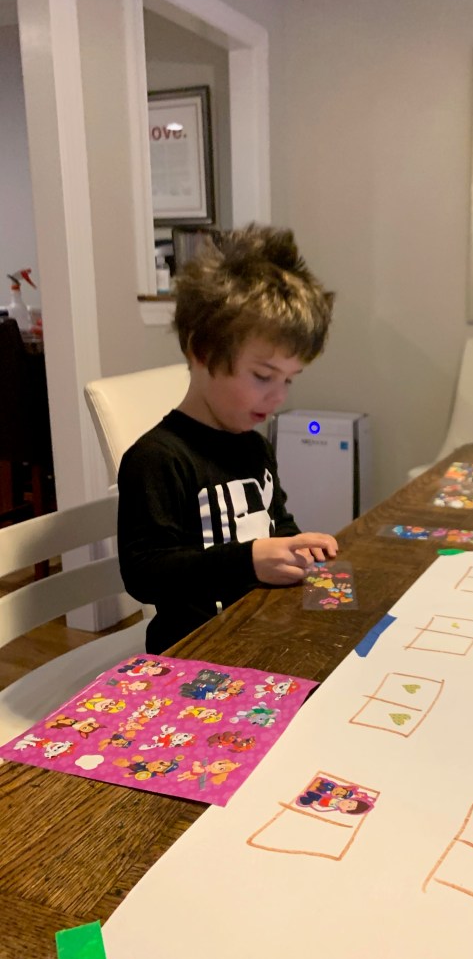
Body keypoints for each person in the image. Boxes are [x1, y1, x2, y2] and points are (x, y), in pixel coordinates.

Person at [118, 224, 338, 653]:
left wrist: (297, 546)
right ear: (202, 351)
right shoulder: (157, 458)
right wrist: (249, 560)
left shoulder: (254, 446)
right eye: (263, 376)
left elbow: (277, 522)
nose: (278, 396)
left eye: (289, 379)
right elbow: (145, 573)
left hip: (260, 634)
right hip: (192, 655)